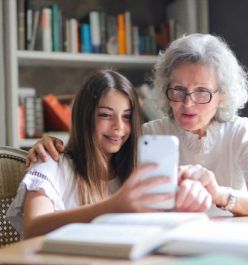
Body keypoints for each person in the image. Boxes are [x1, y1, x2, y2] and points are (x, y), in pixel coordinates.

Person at [26, 34, 248, 216]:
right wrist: (49, 144)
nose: (188, 104)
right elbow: (96, 154)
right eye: (178, 90)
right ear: (165, 88)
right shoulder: (148, 135)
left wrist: (220, 195)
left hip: (233, 243)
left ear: (222, 94)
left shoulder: (242, 132)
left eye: (202, 92)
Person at [7, 70, 212, 239]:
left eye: (127, 117)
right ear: (84, 117)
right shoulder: (50, 162)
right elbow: (33, 228)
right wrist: (113, 206)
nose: (118, 127)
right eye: (105, 115)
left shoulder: (137, 170)